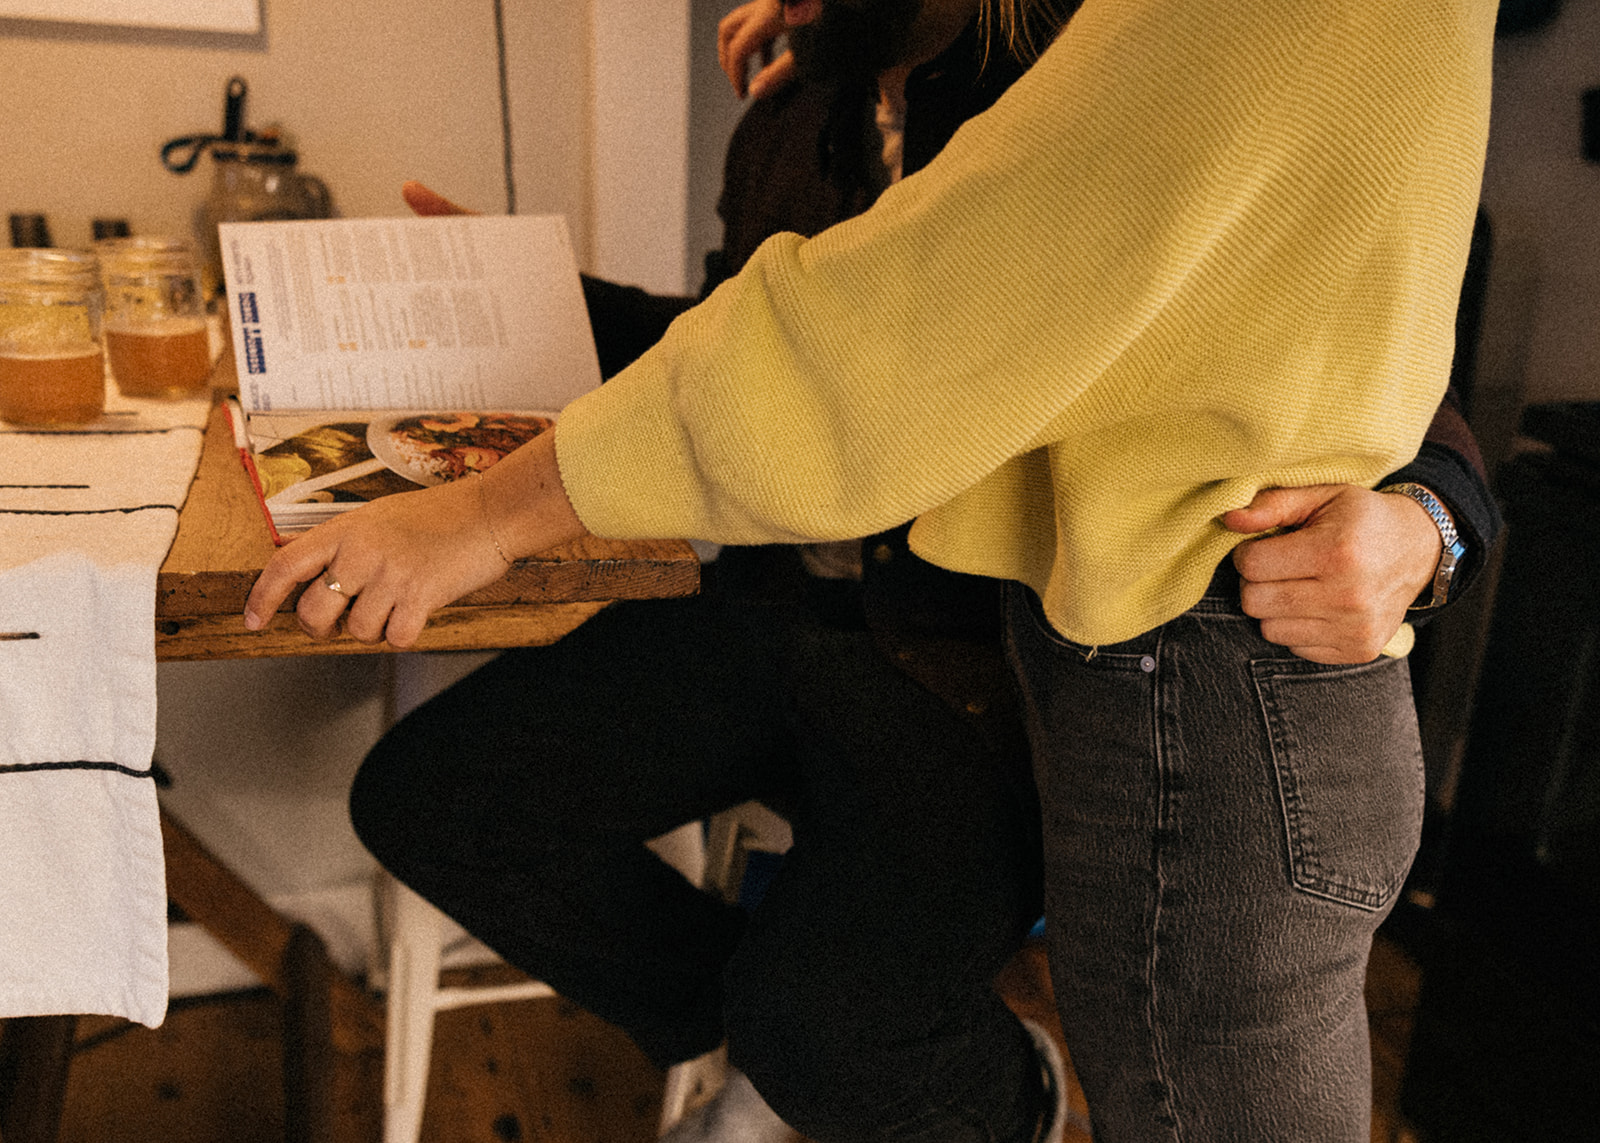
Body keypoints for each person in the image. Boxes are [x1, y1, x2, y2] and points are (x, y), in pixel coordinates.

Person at [247, 1, 1500, 1140]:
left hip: (967, 664)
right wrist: (527, 298)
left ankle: (978, 1091)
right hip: (775, 603)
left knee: (840, 1024)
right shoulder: (806, 94)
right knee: (438, 798)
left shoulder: (1077, 59)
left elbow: (1339, 340)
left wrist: (1425, 525)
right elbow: (746, 343)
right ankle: (765, 1039)